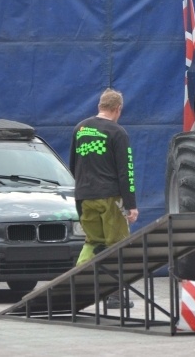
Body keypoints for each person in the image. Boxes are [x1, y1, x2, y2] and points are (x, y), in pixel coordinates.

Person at [70, 88, 139, 307]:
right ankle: (116, 296)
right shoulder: (117, 132)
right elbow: (125, 171)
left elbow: (73, 163)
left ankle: (74, 285)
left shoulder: (80, 129)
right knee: (117, 244)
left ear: (100, 106)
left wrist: (83, 188)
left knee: (92, 242)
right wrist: (131, 206)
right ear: (118, 109)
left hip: (84, 197)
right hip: (109, 197)